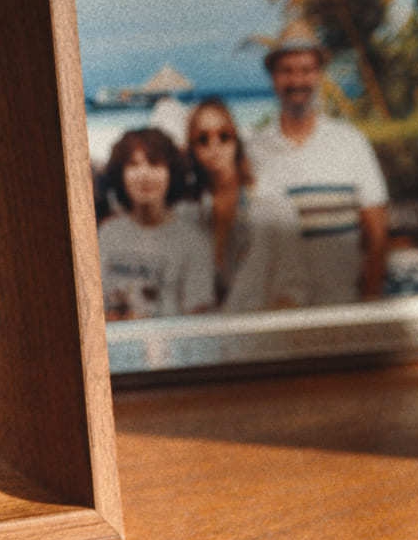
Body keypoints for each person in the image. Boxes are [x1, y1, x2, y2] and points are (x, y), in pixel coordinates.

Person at [245, 19, 389, 306]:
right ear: (273, 78)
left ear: (319, 75)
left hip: (343, 306)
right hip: (277, 311)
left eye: (306, 70)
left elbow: (377, 235)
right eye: (286, 71)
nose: (296, 81)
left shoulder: (351, 143)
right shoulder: (254, 150)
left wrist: (368, 303)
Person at [179, 97, 306, 312]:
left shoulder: (272, 205)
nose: (214, 145)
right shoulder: (186, 214)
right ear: (192, 149)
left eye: (224, 136)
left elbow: (294, 286)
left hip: (262, 327)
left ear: (236, 141)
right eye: (202, 139)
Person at [98, 128, 214, 320]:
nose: (144, 174)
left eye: (154, 164)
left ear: (171, 173)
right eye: (134, 165)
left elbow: (198, 320)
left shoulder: (193, 242)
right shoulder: (107, 234)